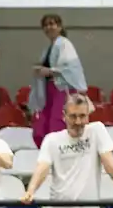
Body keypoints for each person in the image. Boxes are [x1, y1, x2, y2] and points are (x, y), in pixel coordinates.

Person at [28, 14, 87, 147]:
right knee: (43, 124)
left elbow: (70, 68)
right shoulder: (48, 49)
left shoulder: (65, 44)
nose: (49, 27)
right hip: (49, 90)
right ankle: (48, 153)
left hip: (63, 89)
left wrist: (48, 71)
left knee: (57, 122)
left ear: (59, 27)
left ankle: (60, 151)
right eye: (46, 25)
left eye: (52, 24)